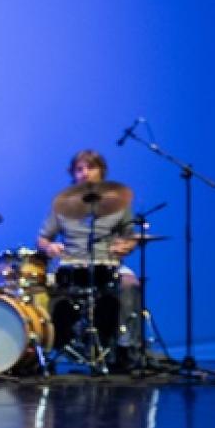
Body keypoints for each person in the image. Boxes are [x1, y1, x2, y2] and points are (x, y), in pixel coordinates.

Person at [36, 149, 142, 370]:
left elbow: (130, 236)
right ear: (73, 174)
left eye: (90, 167)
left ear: (102, 171)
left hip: (109, 264)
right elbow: (43, 239)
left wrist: (126, 245)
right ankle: (42, 350)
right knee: (37, 289)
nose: (84, 173)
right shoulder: (62, 203)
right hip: (70, 265)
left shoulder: (119, 203)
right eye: (79, 169)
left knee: (130, 284)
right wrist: (49, 246)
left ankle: (126, 348)